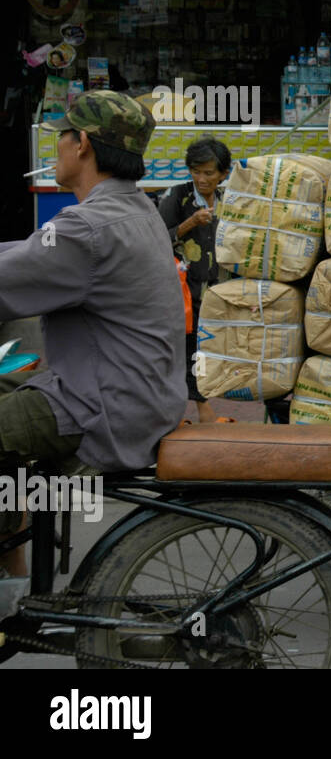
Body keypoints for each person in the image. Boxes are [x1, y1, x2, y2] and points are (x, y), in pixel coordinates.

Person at [0, 91, 186, 575]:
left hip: (98, 405)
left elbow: (16, 275)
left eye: (60, 137)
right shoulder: (135, 209)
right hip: (139, 396)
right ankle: (13, 567)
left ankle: (12, 573)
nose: (56, 148)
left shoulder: (88, 226)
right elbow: (30, 254)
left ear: (81, 143)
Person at [156, 137, 232, 423]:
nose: (201, 178)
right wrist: (190, 223)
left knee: (207, 350)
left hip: (219, 291)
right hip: (185, 294)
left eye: (209, 173)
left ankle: (195, 407)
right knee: (188, 350)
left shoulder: (231, 200)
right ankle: (200, 409)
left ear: (223, 174)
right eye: (196, 171)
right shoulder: (177, 196)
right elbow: (158, 239)